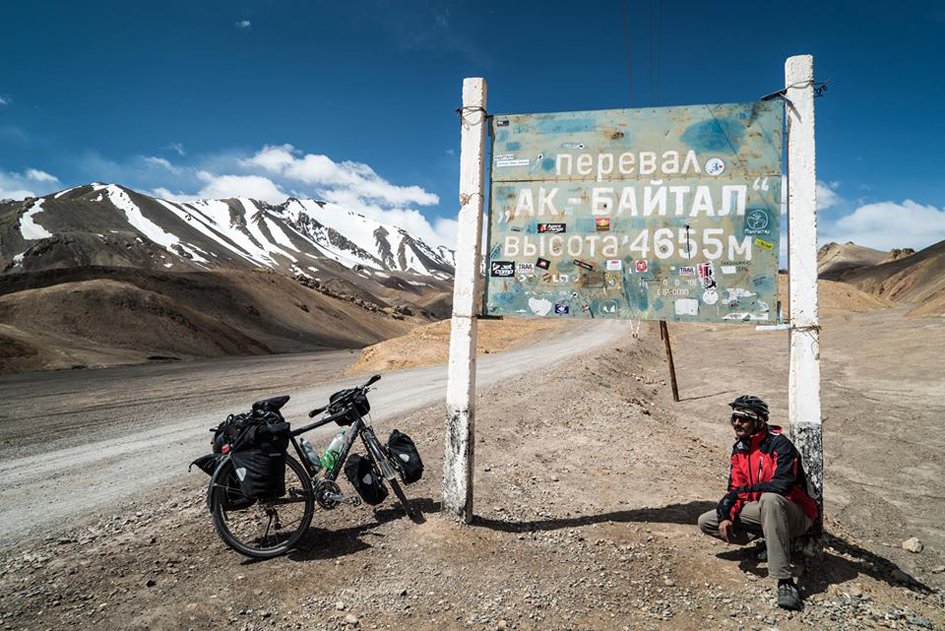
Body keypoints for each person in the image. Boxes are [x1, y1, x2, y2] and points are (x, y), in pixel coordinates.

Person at [697, 395, 819, 610]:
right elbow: (735, 489)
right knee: (707, 521)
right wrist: (726, 516)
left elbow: (782, 485)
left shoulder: (780, 445)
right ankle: (766, 539)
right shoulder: (740, 449)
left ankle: (785, 580)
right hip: (764, 511)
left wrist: (745, 491)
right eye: (734, 418)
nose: (736, 423)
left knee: (770, 499)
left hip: (797, 513)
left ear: (759, 421)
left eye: (743, 419)